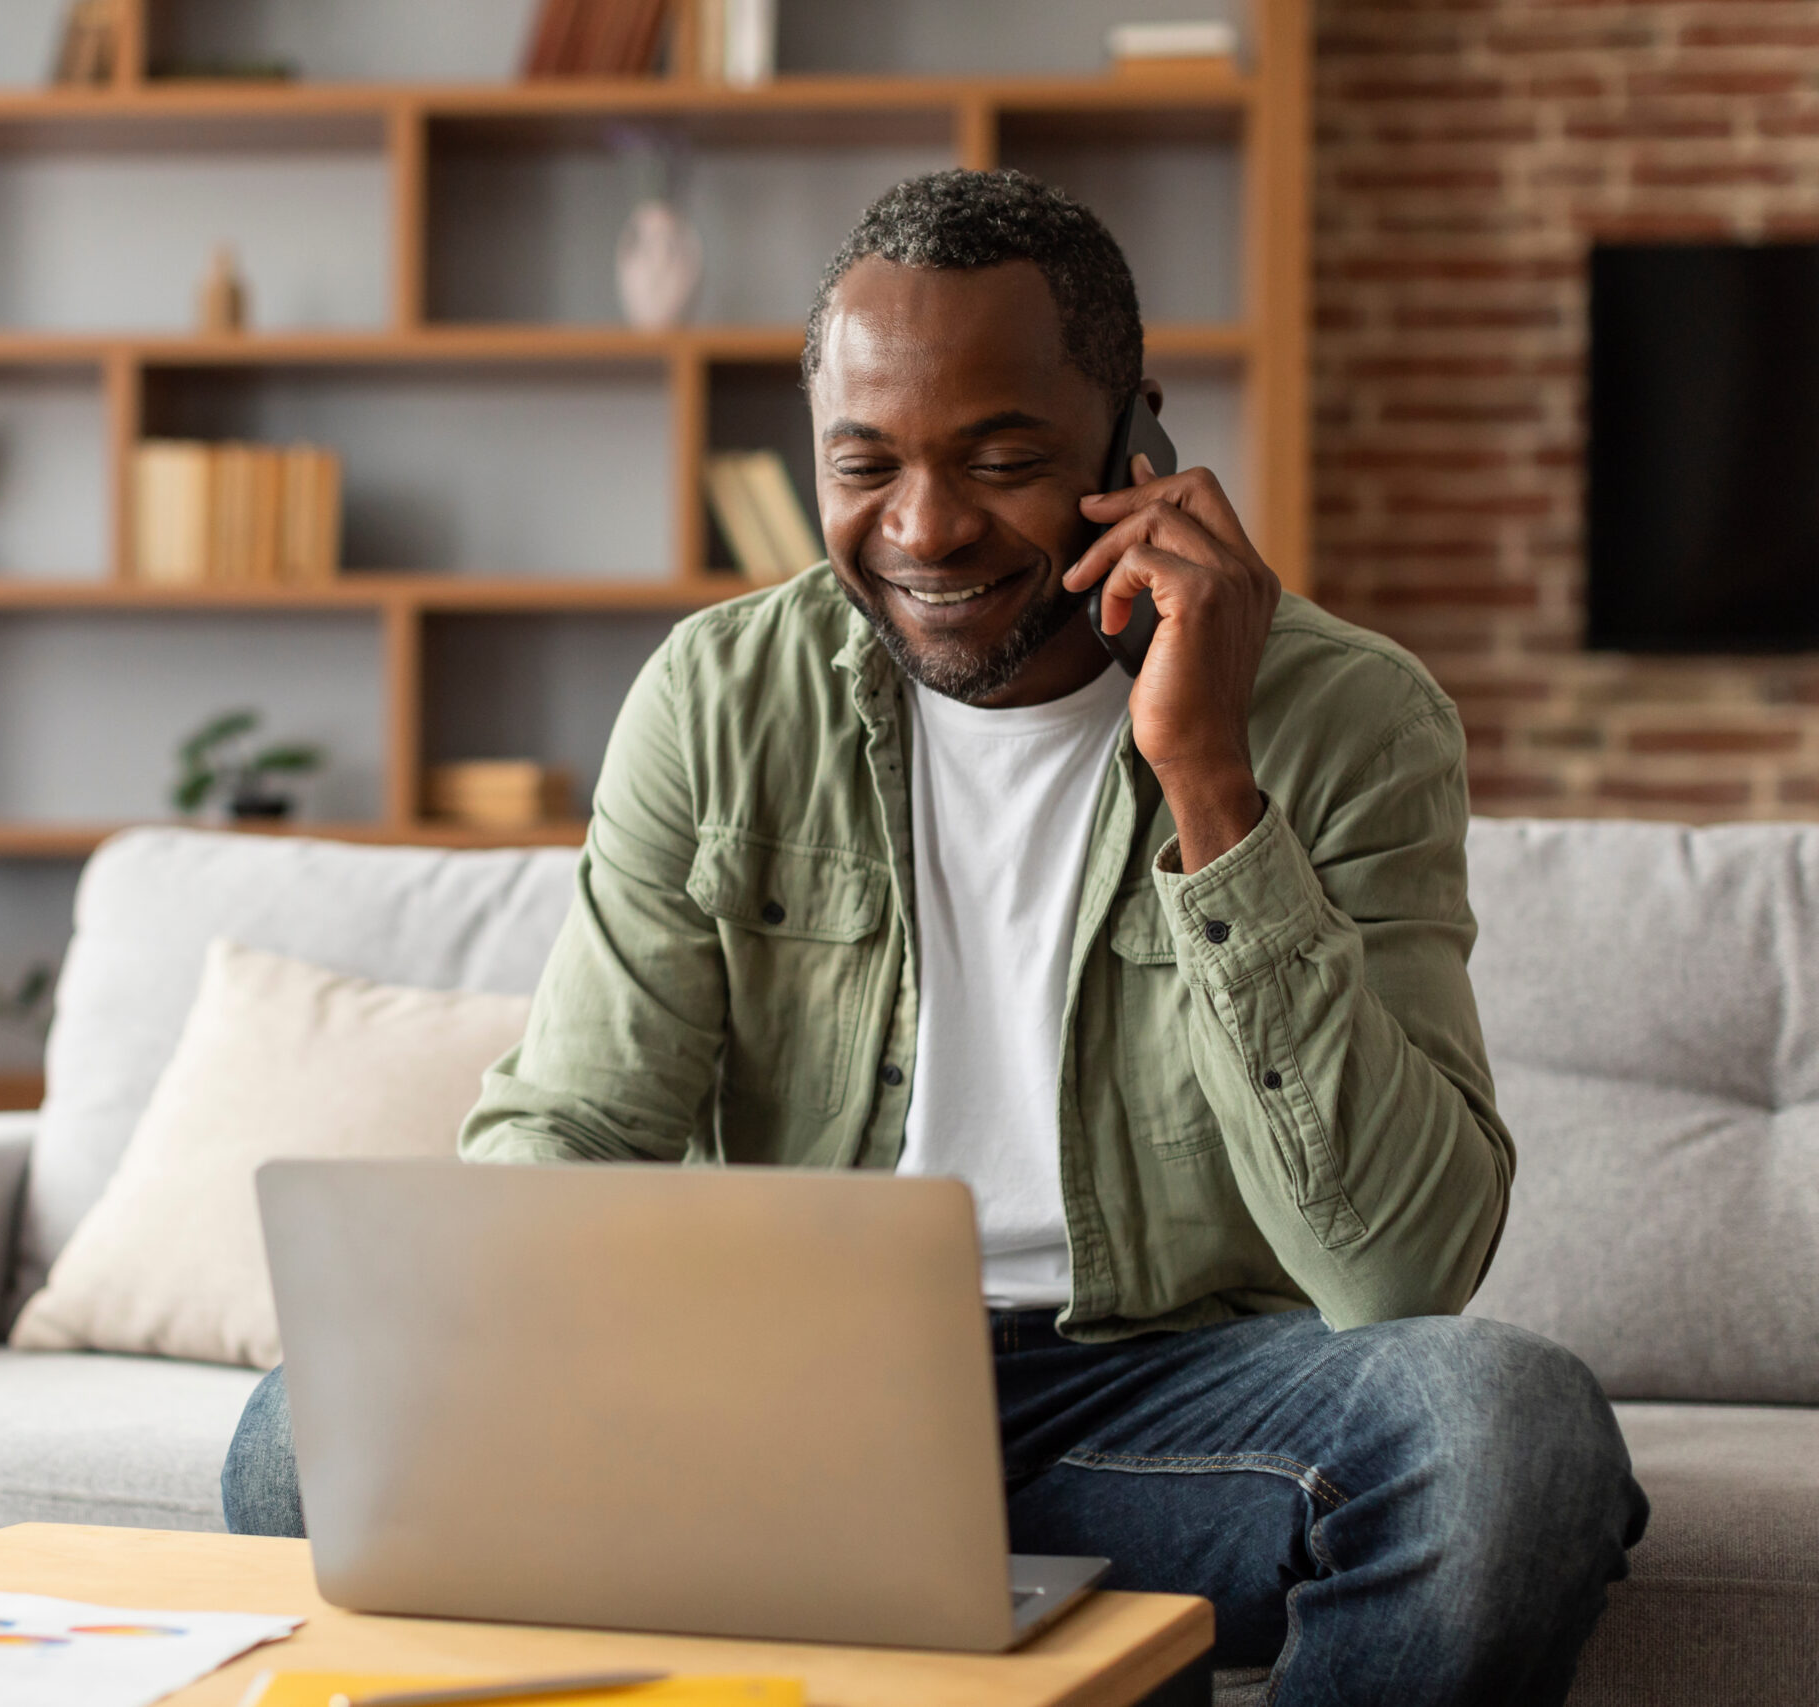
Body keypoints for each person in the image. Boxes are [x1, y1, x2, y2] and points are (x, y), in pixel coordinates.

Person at [222, 170, 1646, 1706]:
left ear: (1137, 442)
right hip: (775, 1407)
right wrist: (484, 1339)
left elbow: (1399, 1274)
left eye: (1003, 457)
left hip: (1161, 1416)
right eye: (864, 464)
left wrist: (1210, 779)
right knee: (312, 1431)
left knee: (1504, 1438)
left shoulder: (1351, 719)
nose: (922, 528)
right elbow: (577, 1122)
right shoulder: (719, 698)